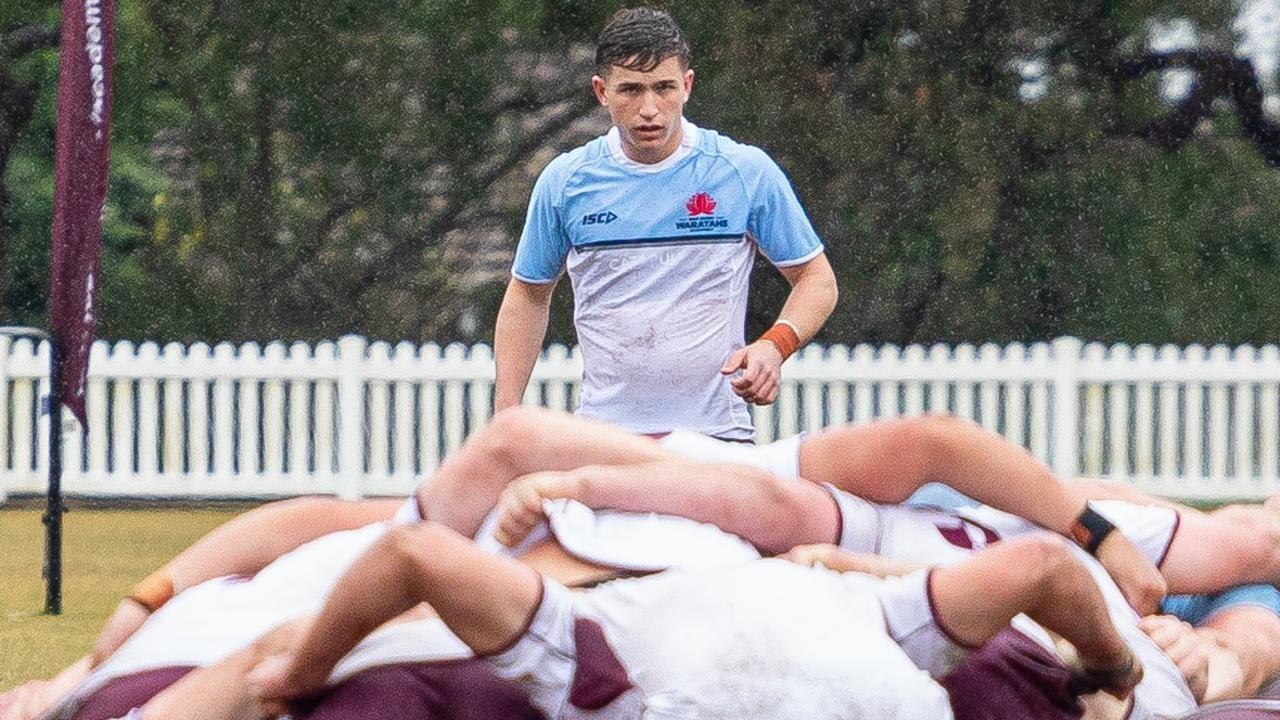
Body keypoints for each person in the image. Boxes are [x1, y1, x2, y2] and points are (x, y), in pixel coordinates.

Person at [493, 7, 839, 438]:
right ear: (602, 92)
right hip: (606, 439)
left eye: (664, 87)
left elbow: (816, 278)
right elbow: (527, 295)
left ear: (688, 86)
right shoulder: (566, 182)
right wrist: (505, 417)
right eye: (631, 90)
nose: (649, 109)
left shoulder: (743, 171)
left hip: (717, 435)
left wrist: (776, 344)